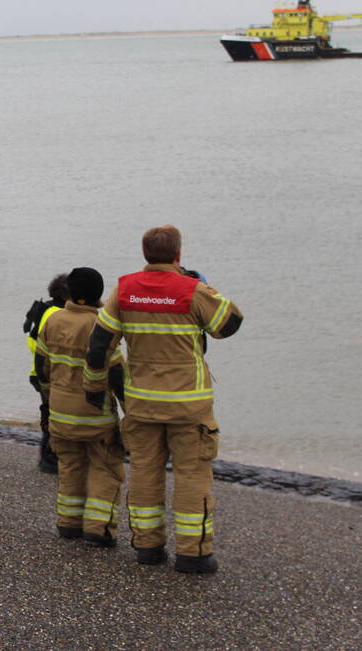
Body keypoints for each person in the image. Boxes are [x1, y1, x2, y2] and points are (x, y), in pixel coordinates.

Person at [84, 225, 243, 574]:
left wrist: (95, 388)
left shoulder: (124, 290)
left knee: (144, 472)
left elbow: (99, 346)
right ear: (178, 255)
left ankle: (148, 547)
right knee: (192, 475)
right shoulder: (192, 290)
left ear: (145, 254)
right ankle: (193, 554)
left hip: (141, 404)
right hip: (190, 405)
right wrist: (204, 286)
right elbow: (230, 323)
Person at [35, 268, 125, 547]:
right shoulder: (100, 325)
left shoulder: (52, 320)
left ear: (70, 293)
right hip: (94, 415)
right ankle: (99, 528)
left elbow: (41, 368)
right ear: (98, 295)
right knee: (105, 467)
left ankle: (68, 523)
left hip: (61, 412)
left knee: (70, 466)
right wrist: (128, 411)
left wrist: (48, 406)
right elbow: (115, 372)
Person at [24, 275, 69, 473]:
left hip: (41, 371)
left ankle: (49, 456)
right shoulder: (55, 314)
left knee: (50, 412)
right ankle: (50, 459)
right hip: (47, 373)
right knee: (52, 414)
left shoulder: (46, 309)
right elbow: (48, 347)